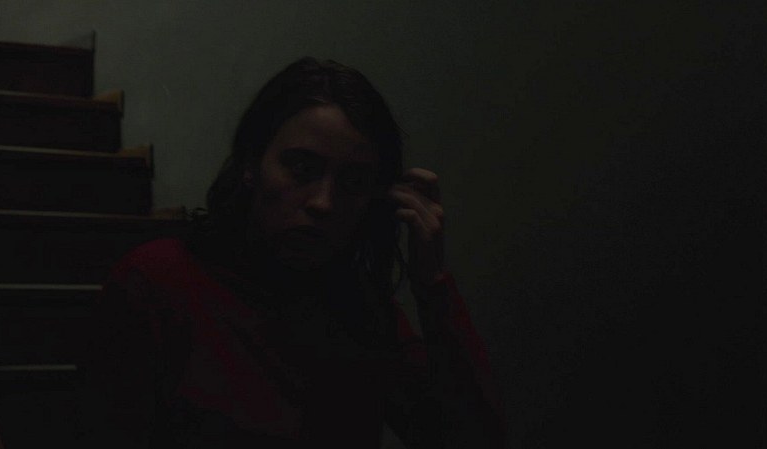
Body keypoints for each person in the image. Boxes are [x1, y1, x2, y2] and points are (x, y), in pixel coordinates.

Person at [79, 57, 506, 448]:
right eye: (302, 169)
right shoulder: (159, 283)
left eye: (353, 182)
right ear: (252, 164)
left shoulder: (360, 310)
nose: (323, 202)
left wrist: (433, 286)